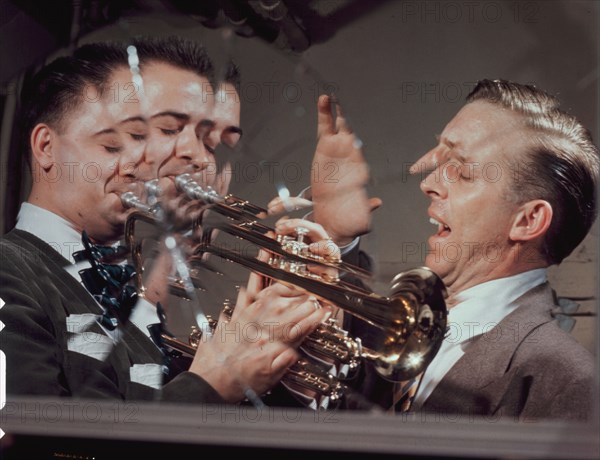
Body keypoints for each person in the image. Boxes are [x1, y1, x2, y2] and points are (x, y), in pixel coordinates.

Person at [0, 39, 330, 405]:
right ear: (47, 147)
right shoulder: (10, 271)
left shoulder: (137, 289)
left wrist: (292, 342)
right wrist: (210, 385)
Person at [398, 79, 598, 420]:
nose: (428, 183)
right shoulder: (408, 321)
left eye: (460, 171)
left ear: (528, 220)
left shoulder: (566, 380)